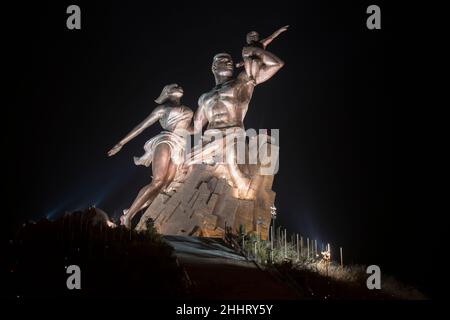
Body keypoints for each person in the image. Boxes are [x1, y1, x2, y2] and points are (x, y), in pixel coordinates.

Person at [108, 84, 193, 228]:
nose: (178, 87)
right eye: (174, 86)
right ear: (167, 92)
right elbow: (141, 127)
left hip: (180, 146)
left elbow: (190, 129)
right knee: (158, 181)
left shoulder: (189, 110)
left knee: (165, 186)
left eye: (179, 85)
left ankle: (129, 211)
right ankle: (128, 216)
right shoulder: (162, 109)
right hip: (166, 141)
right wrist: (120, 143)